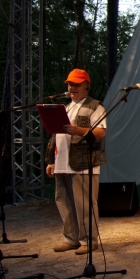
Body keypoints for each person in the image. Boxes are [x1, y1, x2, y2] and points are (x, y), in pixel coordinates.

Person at [45, 69, 107, 255]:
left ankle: (89, 240)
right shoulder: (65, 108)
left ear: (86, 85)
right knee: (63, 201)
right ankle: (71, 238)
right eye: (70, 84)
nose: (72, 87)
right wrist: (51, 160)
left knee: (85, 203)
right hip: (62, 162)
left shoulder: (95, 106)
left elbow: (100, 133)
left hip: (83, 163)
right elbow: (55, 137)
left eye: (77, 84)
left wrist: (78, 130)